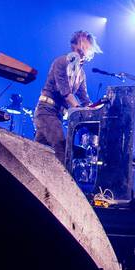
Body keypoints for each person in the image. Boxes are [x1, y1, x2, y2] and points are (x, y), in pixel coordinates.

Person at [34, 30, 101, 171]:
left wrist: (97, 110)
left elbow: (85, 99)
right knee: (61, 149)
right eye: (80, 48)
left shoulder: (81, 74)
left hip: (57, 115)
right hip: (46, 111)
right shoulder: (61, 62)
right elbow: (65, 92)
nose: (82, 52)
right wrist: (78, 108)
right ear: (73, 46)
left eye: (85, 49)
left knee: (39, 153)